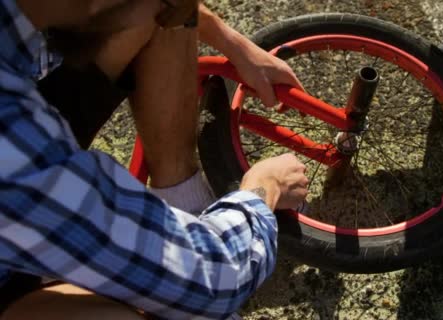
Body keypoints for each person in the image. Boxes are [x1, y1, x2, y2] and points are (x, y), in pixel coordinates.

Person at [0, 0, 309, 319]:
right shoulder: (15, 156)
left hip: (28, 127)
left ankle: (183, 196)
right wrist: (265, 186)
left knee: (165, 20)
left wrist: (232, 42)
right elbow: (215, 282)